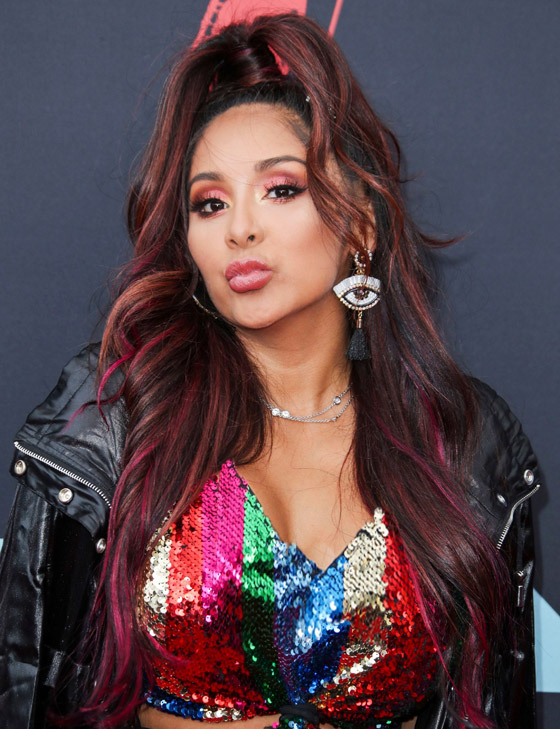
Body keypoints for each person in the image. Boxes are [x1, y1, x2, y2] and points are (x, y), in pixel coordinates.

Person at [0, 12, 540, 729]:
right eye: (210, 203)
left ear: (360, 225)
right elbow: (30, 682)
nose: (239, 228)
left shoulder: (464, 439)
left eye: (280, 189)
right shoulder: (114, 416)